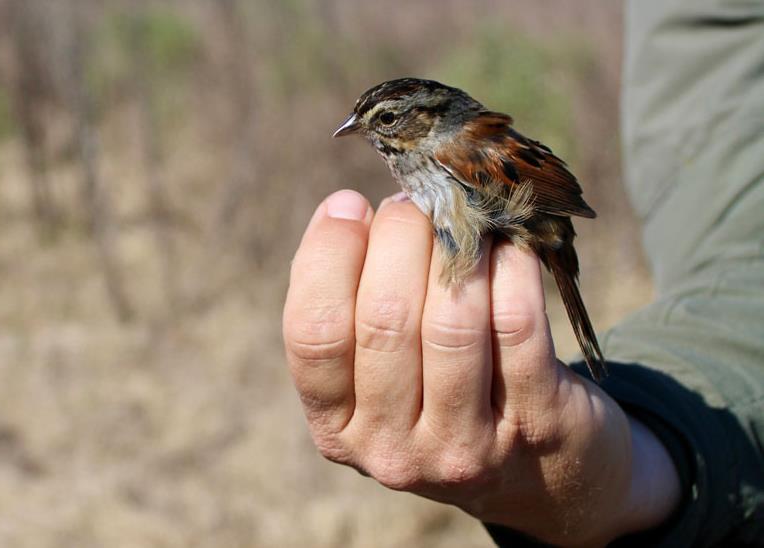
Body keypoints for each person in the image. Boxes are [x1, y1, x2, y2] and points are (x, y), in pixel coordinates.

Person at [282, 0, 764, 544]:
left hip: (540, 218)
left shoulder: (457, 148)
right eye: (365, 122)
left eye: (387, 121)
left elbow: (530, 186)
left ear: (426, 120)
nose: (366, 132)